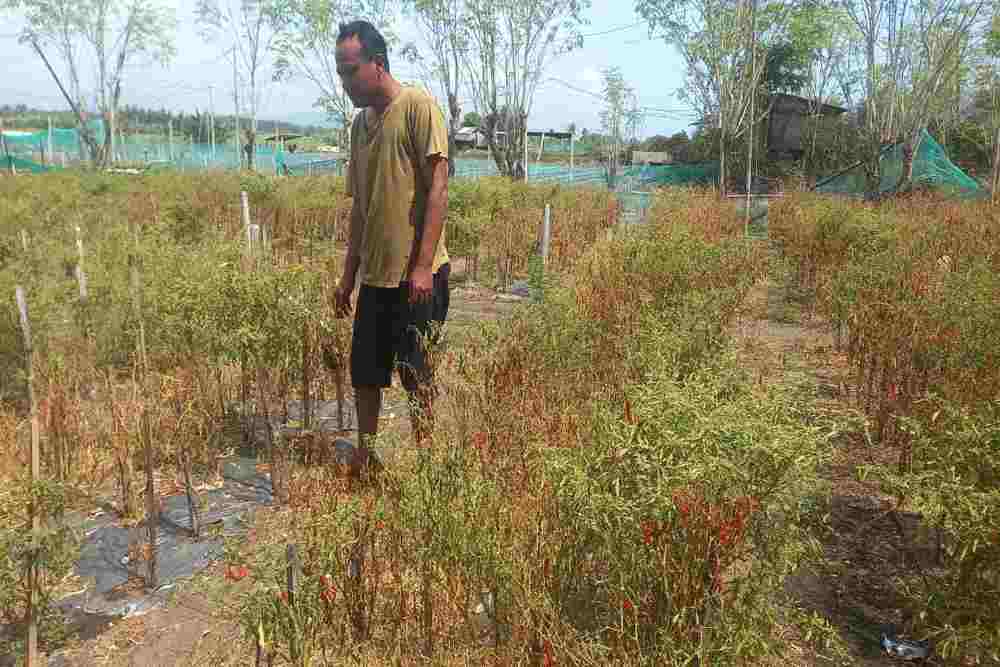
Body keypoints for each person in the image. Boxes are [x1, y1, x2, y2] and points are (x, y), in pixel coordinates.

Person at [332, 20, 451, 480]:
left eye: (350, 71)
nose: (344, 83)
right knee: (365, 373)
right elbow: (360, 209)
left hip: (419, 278)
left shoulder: (418, 107)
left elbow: (438, 190)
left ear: (376, 65)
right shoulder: (359, 127)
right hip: (376, 279)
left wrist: (422, 266)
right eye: (340, 72)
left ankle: (426, 466)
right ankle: (367, 457)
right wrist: (347, 278)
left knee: (417, 374)